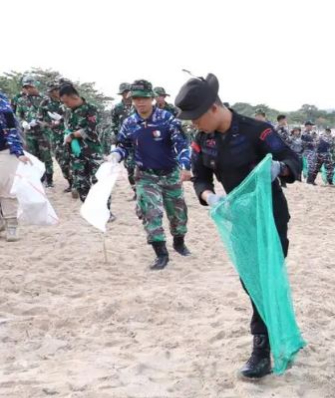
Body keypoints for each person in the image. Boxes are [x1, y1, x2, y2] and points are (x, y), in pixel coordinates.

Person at [178, 73, 302, 379]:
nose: (194, 125)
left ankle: (261, 350)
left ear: (214, 108)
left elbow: (293, 159)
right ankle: (273, 332)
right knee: (251, 281)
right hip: (237, 220)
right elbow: (200, 177)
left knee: (265, 277)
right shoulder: (201, 141)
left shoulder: (257, 131)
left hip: (271, 216)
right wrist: (209, 196)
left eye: (196, 118)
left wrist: (279, 168)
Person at [108, 80, 191, 269]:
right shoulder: (129, 122)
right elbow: (124, 145)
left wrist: (185, 165)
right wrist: (116, 154)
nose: (140, 102)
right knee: (150, 212)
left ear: (152, 99)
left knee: (178, 214)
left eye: (144, 98)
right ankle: (161, 254)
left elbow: (181, 144)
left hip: (170, 174)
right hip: (145, 176)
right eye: (136, 98)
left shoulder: (167, 118)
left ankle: (179, 242)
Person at [57, 84, 104, 205]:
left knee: (99, 181)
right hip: (76, 153)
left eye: (67, 102)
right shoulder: (69, 112)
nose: (66, 105)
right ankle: (89, 208)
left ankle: (105, 211)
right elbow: (67, 128)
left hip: (92, 152)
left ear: (74, 97)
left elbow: (91, 129)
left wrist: (72, 135)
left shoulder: (91, 109)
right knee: (82, 184)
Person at [0, 91, 31, 241]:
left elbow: (11, 130)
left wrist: (18, 152)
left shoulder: (4, 106)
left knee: (7, 188)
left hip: (5, 150)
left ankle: (12, 225)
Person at [13, 77, 55, 188]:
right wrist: (23, 122)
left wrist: (40, 122)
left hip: (43, 133)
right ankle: (37, 179)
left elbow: (52, 116)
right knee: (33, 156)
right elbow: (18, 115)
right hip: (29, 133)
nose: (28, 89)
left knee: (46, 156)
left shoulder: (45, 99)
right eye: (26, 87)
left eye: (30, 86)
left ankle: (49, 179)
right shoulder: (21, 100)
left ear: (34, 85)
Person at [110, 82, 138, 193]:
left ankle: (143, 190)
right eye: (125, 92)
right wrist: (116, 139)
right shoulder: (117, 108)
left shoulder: (137, 106)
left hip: (140, 141)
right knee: (129, 168)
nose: (127, 94)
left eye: (128, 92)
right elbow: (114, 124)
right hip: (126, 143)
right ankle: (136, 191)